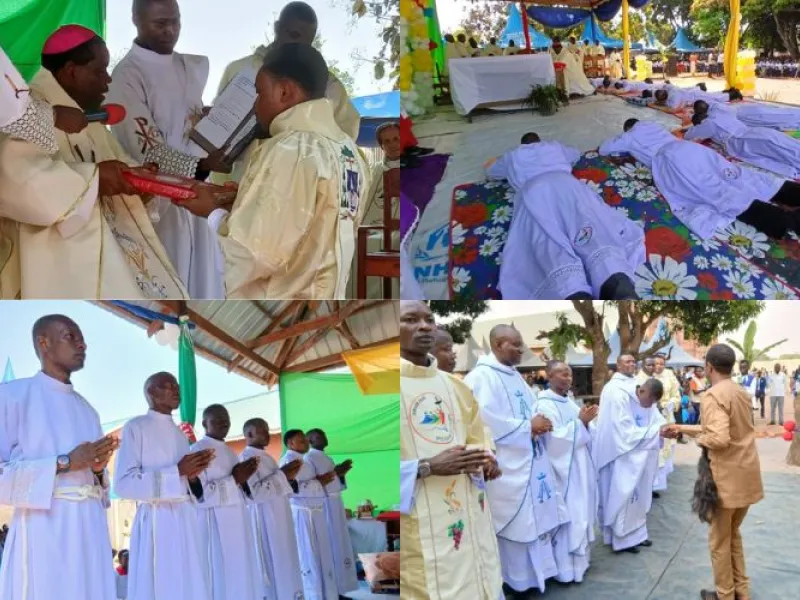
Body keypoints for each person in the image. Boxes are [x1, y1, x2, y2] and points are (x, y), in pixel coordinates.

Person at [0, 26, 188, 299]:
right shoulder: (25, 111)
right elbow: (15, 180)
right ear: (72, 72)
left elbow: (119, 164)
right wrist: (96, 179)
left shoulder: (91, 120)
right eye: (100, 70)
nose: (108, 80)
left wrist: (141, 183)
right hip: (61, 265)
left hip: (115, 256)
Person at [181, 43, 368, 299]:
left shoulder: (293, 148)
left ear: (284, 92)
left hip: (284, 296)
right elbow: (309, 224)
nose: (255, 105)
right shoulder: (350, 152)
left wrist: (212, 213)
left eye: (259, 93)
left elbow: (254, 254)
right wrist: (246, 200)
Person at [108, 0, 228, 299]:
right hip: (160, 199)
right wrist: (200, 167)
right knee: (170, 278)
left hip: (201, 190)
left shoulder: (189, 66)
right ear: (136, 19)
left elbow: (189, 121)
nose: (170, 30)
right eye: (160, 23)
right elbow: (144, 149)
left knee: (206, 275)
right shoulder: (126, 77)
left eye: (175, 21)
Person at [0, 314, 119, 599]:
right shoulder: (12, 397)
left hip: (89, 528)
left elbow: (98, 485)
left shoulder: (88, 410)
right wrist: (64, 462)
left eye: (82, 339)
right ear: (44, 343)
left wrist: (99, 470)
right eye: (71, 337)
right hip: (44, 529)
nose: (83, 345)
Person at [400, 300, 503, 600]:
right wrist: (427, 466)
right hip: (422, 526)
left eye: (429, 319)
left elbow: (480, 435)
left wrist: (487, 459)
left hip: (470, 511)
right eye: (410, 319)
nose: (424, 326)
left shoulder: (456, 386)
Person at [465, 325, 567, 596]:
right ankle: (515, 581)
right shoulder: (480, 377)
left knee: (534, 523)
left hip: (531, 461)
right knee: (515, 526)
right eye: (516, 344)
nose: (522, 349)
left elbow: (532, 407)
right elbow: (484, 421)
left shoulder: (516, 377)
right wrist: (527, 427)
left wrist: (542, 422)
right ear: (498, 345)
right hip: (508, 467)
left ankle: (537, 576)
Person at [215, 1, 360, 184]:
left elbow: (344, 141)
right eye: (293, 34)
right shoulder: (240, 69)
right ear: (277, 28)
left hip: (293, 183)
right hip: (239, 181)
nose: (297, 45)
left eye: (306, 40)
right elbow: (218, 130)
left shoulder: (330, 87)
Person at [485, 132, 644, 299]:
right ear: (540, 140)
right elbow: (575, 154)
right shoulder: (554, 146)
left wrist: (502, 158)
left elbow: (490, 170)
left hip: (533, 190)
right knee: (587, 224)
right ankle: (616, 281)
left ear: (522, 144)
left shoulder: (513, 155)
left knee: (546, 238)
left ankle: (571, 289)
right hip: (567, 184)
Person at [663, 344, 764, 600]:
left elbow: (717, 438)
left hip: (725, 480)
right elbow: (723, 429)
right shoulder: (740, 392)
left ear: (708, 367)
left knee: (719, 542)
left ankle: (725, 595)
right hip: (746, 476)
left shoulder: (713, 395)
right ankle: (741, 592)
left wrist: (699, 439)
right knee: (733, 537)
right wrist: (681, 427)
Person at [599, 119, 800, 242]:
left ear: (628, 128)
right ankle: (792, 193)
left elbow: (604, 148)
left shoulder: (630, 135)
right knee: (738, 176)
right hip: (693, 150)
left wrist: (623, 139)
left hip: (672, 158)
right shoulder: (653, 125)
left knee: (716, 192)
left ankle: (784, 220)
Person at [112, 372, 214, 600]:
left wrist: (193, 476)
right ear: (152, 392)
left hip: (186, 519)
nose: (177, 389)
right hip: (157, 522)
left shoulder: (180, 434)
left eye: (177, 385)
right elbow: (123, 484)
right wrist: (177, 471)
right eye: (169, 386)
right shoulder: (135, 427)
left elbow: (184, 480)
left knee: (189, 583)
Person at [593, 355, 667, 553]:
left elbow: (654, 414)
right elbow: (622, 429)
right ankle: (621, 539)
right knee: (622, 494)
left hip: (638, 451)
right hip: (620, 454)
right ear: (617, 364)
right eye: (627, 362)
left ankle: (638, 535)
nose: (632, 365)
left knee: (639, 495)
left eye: (634, 362)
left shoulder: (641, 385)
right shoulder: (614, 390)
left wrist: (663, 427)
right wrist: (652, 433)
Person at [534, 361, 598, 584]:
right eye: (562, 374)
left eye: (569, 374)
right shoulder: (544, 404)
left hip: (579, 469)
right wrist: (580, 423)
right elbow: (552, 440)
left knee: (581, 512)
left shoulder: (569, 402)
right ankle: (565, 570)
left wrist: (587, 424)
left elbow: (583, 430)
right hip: (562, 473)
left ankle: (580, 563)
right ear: (549, 376)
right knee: (569, 516)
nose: (568, 378)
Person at [190, 404, 263, 600]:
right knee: (221, 576)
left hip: (238, 520)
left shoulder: (229, 451)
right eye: (217, 419)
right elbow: (198, 496)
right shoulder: (197, 450)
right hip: (215, 522)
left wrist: (245, 482)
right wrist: (235, 480)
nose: (224, 423)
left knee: (241, 572)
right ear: (205, 423)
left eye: (226, 419)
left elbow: (241, 489)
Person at [240, 418, 305, 600]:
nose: (267, 434)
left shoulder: (266, 457)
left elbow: (282, 486)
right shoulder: (246, 458)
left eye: (268, 430)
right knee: (271, 566)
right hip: (265, 520)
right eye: (263, 430)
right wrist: (283, 476)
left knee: (285, 563)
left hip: (280, 516)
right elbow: (254, 494)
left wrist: (289, 479)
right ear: (249, 434)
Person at [280, 429, 339, 600]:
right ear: (290, 443)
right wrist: (318, 483)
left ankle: (325, 593)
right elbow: (290, 490)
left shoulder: (304, 461)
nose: (306, 443)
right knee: (308, 556)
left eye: (306, 440)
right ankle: (312, 594)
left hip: (317, 513)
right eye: (301, 441)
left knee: (321, 555)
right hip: (303, 516)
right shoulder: (288, 461)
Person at [305, 429, 358, 597]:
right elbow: (316, 485)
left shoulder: (326, 457)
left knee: (340, 543)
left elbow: (333, 480)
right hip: (325, 505)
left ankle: (340, 588)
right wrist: (336, 474)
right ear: (309, 440)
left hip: (335, 502)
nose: (323, 438)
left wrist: (340, 475)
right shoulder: (309, 458)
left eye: (324, 435)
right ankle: (331, 590)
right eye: (318, 436)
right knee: (330, 545)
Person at [688, 101, 800, 179]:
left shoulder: (708, 124)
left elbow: (690, 135)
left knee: (777, 149)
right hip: (753, 131)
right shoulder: (718, 113)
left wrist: (693, 127)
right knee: (780, 141)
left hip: (741, 141)